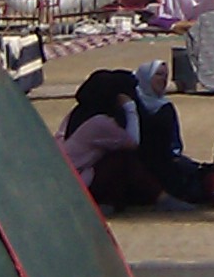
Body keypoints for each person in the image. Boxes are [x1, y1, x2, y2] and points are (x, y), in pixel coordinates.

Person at [58, 69, 161, 209]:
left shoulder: (78, 113)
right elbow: (133, 143)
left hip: (65, 177)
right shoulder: (100, 122)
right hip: (77, 181)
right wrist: (130, 108)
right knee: (123, 159)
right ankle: (160, 198)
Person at [132, 58, 206, 202]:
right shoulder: (132, 105)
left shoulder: (165, 105)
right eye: (158, 75)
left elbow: (175, 142)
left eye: (166, 76)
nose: (163, 80)